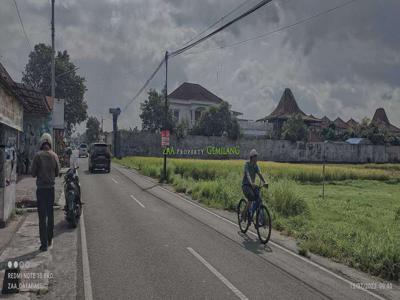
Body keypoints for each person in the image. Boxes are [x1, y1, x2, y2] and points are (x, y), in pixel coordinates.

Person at [31, 133, 60, 251]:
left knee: (42, 217)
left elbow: (32, 173)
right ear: (50, 143)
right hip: (51, 189)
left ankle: (44, 245)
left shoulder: (37, 156)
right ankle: (49, 239)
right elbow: (57, 173)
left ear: (41, 144)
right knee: (50, 214)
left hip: (41, 190)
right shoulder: (55, 156)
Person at [241, 149, 267, 223]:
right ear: (251, 157)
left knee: (259, 199)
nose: (256, 158)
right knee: (251, 199)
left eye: (257, 156)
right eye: (255, 156)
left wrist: (265, 182)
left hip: (253, 186)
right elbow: (247, 174)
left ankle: (256, 216)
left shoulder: (256, 166)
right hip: (246, 185)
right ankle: (243, 214)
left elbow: (259, 174)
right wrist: (251, 182)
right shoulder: (247, 164)